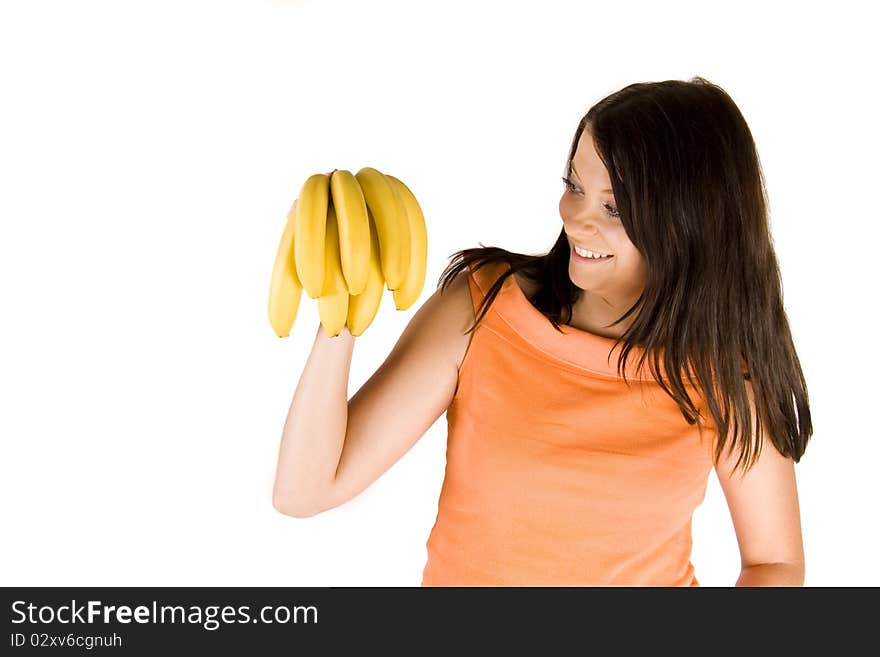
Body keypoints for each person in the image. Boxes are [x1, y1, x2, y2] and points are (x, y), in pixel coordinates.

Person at [272, 76, 811, 587]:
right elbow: (305, 491)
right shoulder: (481, 309)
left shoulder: (725, 373)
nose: (576, 219)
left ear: (691, 222)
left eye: (614, 208)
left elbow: (774, 561)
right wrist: (339, 315)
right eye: (575, 186)